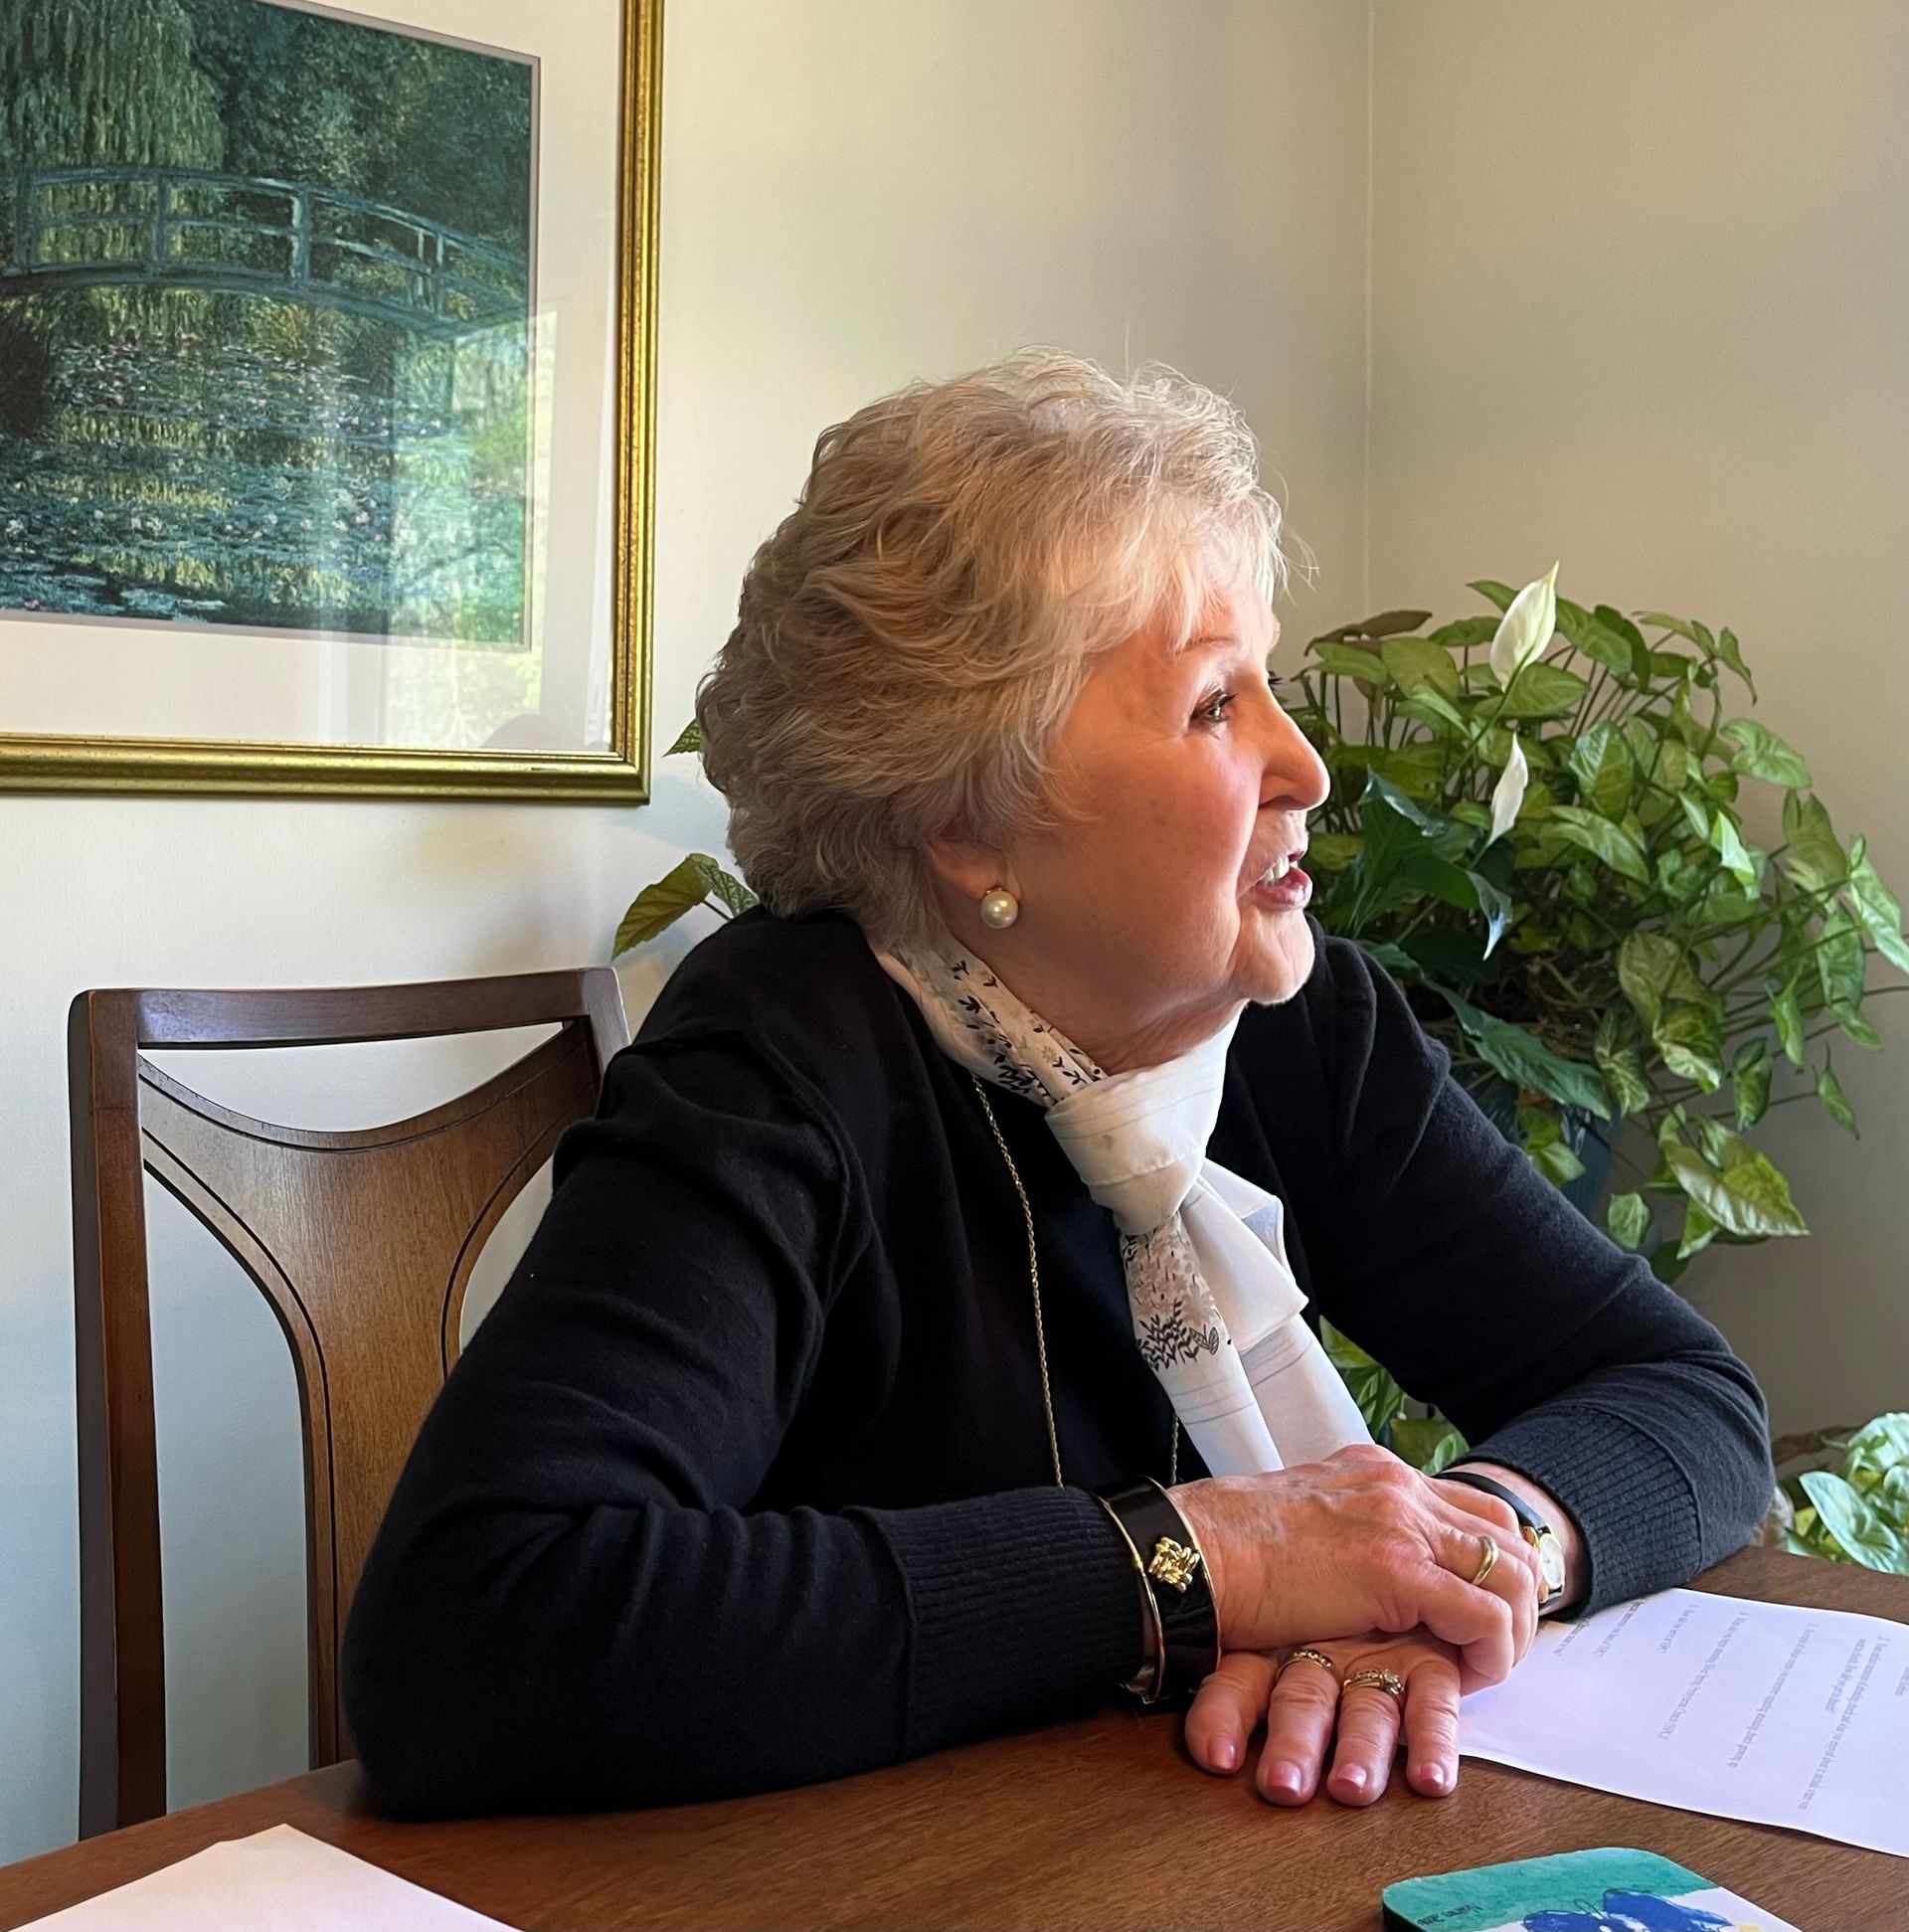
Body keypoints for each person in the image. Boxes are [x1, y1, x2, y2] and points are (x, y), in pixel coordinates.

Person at [342, 350, 1773, 1818]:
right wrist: (1224, 1561)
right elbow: (479, 1627)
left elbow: (1678, 1391)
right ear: (971, 826)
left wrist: (1454, 1549)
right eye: (1216, 705)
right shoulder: (781, 1059)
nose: (1305, 764)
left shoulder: (1296, 1024)